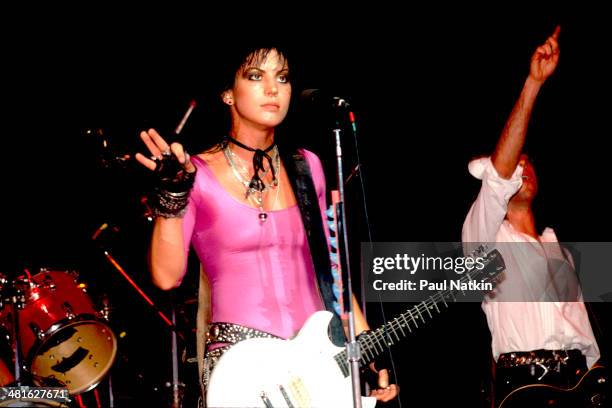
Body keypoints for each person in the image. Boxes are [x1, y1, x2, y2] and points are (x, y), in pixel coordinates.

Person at [135, 45, 398, 405]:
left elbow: (333, 269)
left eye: (283, 78)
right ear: (228, 93)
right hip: (244, 370)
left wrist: (367, 349)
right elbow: (166, 276)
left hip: (316, 365)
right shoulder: (198, 174)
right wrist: (172, 197)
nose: (273, 88)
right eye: (256, 77)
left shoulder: (307, 166)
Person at [462, 26, 602, 405]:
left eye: (528, 162)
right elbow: (498, 176)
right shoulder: (485, 239)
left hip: (579, 384)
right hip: (525, 389)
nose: (521, 168)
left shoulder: (561, 251)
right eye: (514, 163)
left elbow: (586, 336)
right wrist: (533, 83)